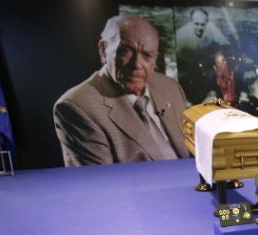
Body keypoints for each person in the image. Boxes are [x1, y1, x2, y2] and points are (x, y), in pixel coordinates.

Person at [53, 15, 190, 166]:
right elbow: (102, 179)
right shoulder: (78, 107)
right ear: (103, 50)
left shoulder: (170, 86)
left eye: (147, 55)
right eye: (126, 51)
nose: (137, 64)